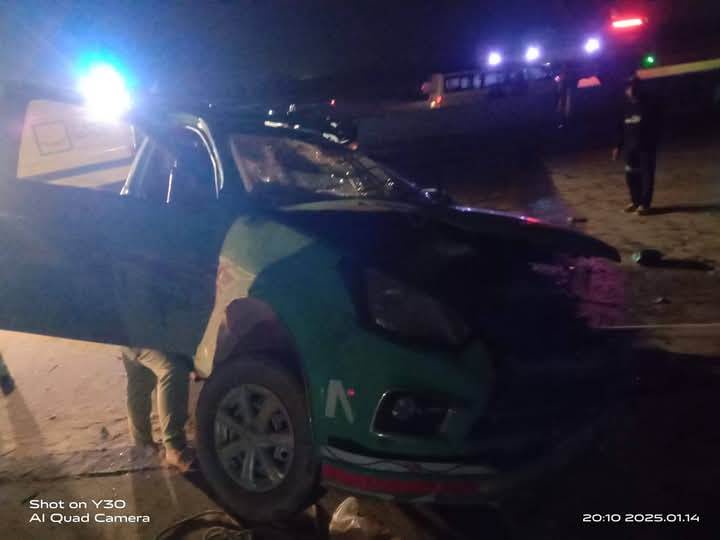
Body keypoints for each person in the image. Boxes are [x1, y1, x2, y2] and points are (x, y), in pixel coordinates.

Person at [121, 348, 195, 472]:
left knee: (140, 379)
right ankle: (174, 447)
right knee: (172, 369)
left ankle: (142, 444)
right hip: (142, 338)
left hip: (127, 338)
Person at [613, 76, 661, 215]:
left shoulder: (649, 106)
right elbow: (620, 128)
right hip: (630, 148)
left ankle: (645, 205)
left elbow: (657, 126)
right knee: (631, 176)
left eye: (634, 87)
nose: (631, 90)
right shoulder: (625, 107)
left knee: (646, 176)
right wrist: (618, 146)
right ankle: (635, 201)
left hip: (645, 148)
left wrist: (652, 142)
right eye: (629, 87)